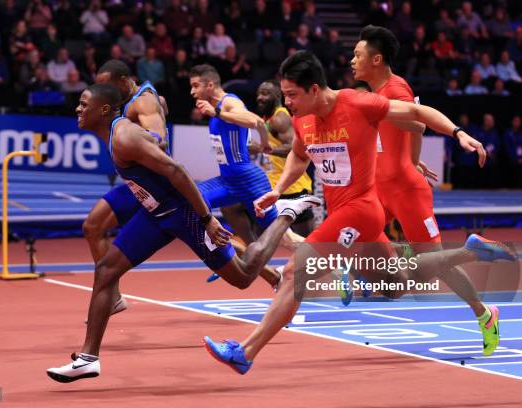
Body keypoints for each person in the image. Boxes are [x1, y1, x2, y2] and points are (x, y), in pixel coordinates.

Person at [203, 50, 515, 375]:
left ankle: (245, 352)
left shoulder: (357, 103)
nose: (288, 102)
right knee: (398, 282)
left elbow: (416, 112)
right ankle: (469, 251)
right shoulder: (301, 118)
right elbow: (299, 154)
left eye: (293, 95)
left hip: (362, 209)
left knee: (296, 273)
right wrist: (278, 189)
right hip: (345, 213)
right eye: (285, 95)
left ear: (314, 89)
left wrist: (458, 133)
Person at [46, 84, 321, 382]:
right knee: (106, 269)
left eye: (83, 103)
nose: (77, 108)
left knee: (242, 277)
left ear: (102, 109)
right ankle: (88, 358)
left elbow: (177, 171)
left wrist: (206, 219)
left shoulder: (123, 137)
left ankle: (286, 215)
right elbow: (155, 145)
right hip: (155, 215)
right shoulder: (119, 134)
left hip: (184, 215)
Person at [351, 25, 502, 352]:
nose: (352, 61)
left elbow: (418, 123)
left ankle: (484, 312)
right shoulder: (370, 92)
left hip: (405, 190)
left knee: (434, 264)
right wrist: (412, 158)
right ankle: (358, 273)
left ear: (376, 59)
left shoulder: (395, 89)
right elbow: (410, 135)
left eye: (358, 55)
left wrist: (446, 141)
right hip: (381, 186)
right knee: (357, 235)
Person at [189, 65, 302, 283]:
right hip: (228, 180)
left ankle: (336, 262)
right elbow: (259, 126)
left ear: (210, 85)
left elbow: (256, 121)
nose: (192, 92)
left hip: (249, 181)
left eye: (195, 86)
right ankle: (232, 255)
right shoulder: (217, 107)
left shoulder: (229, 103)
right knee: (190, 203)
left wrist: (218, 113)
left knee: (286, 239)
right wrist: (266, 145)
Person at [82, 59, 169, 319]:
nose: (103, 94)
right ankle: (113, 297)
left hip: (155, 185)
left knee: (211, 243)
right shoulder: (142, 99)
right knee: (92, 227)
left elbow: (160, 140)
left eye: (107, 87)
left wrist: (130, 138)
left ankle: (273, 274)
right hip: (137, 183)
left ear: (123, 81)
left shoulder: (143, 102)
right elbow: (162, 105)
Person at [250, 80, 314, 237]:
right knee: (259, 237)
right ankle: (254, 261)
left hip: (293, 189)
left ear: (277, 96)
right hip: (273, 188)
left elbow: (295, 148)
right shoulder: (268, 118)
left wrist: (259, 148)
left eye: (265, 93)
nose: (260, 97)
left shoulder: (280, 118)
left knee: (308, 241)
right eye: (259, 93)